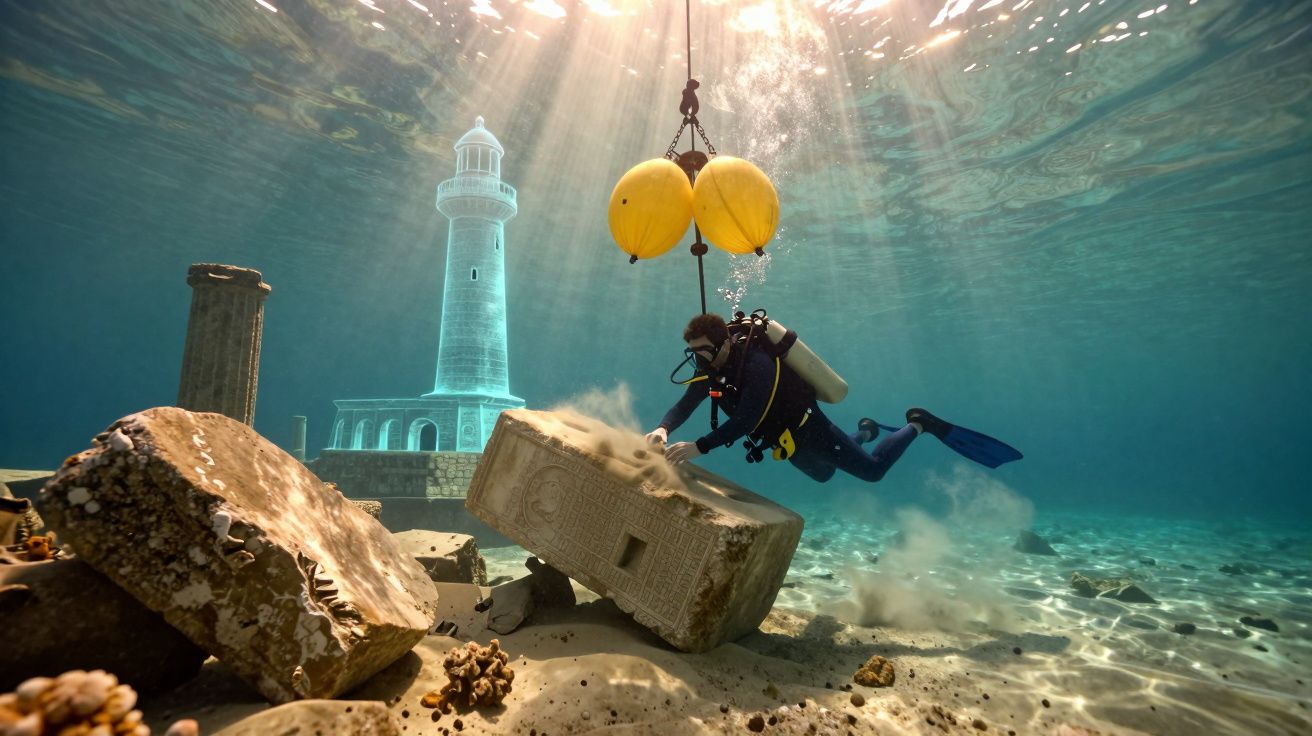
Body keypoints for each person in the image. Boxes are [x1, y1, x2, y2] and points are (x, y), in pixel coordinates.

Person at [645, 313, 1020, 481]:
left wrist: (701, 446)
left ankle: (918, 424)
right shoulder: (709, 365)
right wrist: (663, 429)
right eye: (693, 352)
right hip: (786, 443)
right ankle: (867, 431)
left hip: (809, 428)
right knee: (824, 474)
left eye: (704, 351)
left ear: (724, 343)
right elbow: (686, 403)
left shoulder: (757, 361)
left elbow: (747, 418)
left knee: (872, 472)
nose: (699, 359)